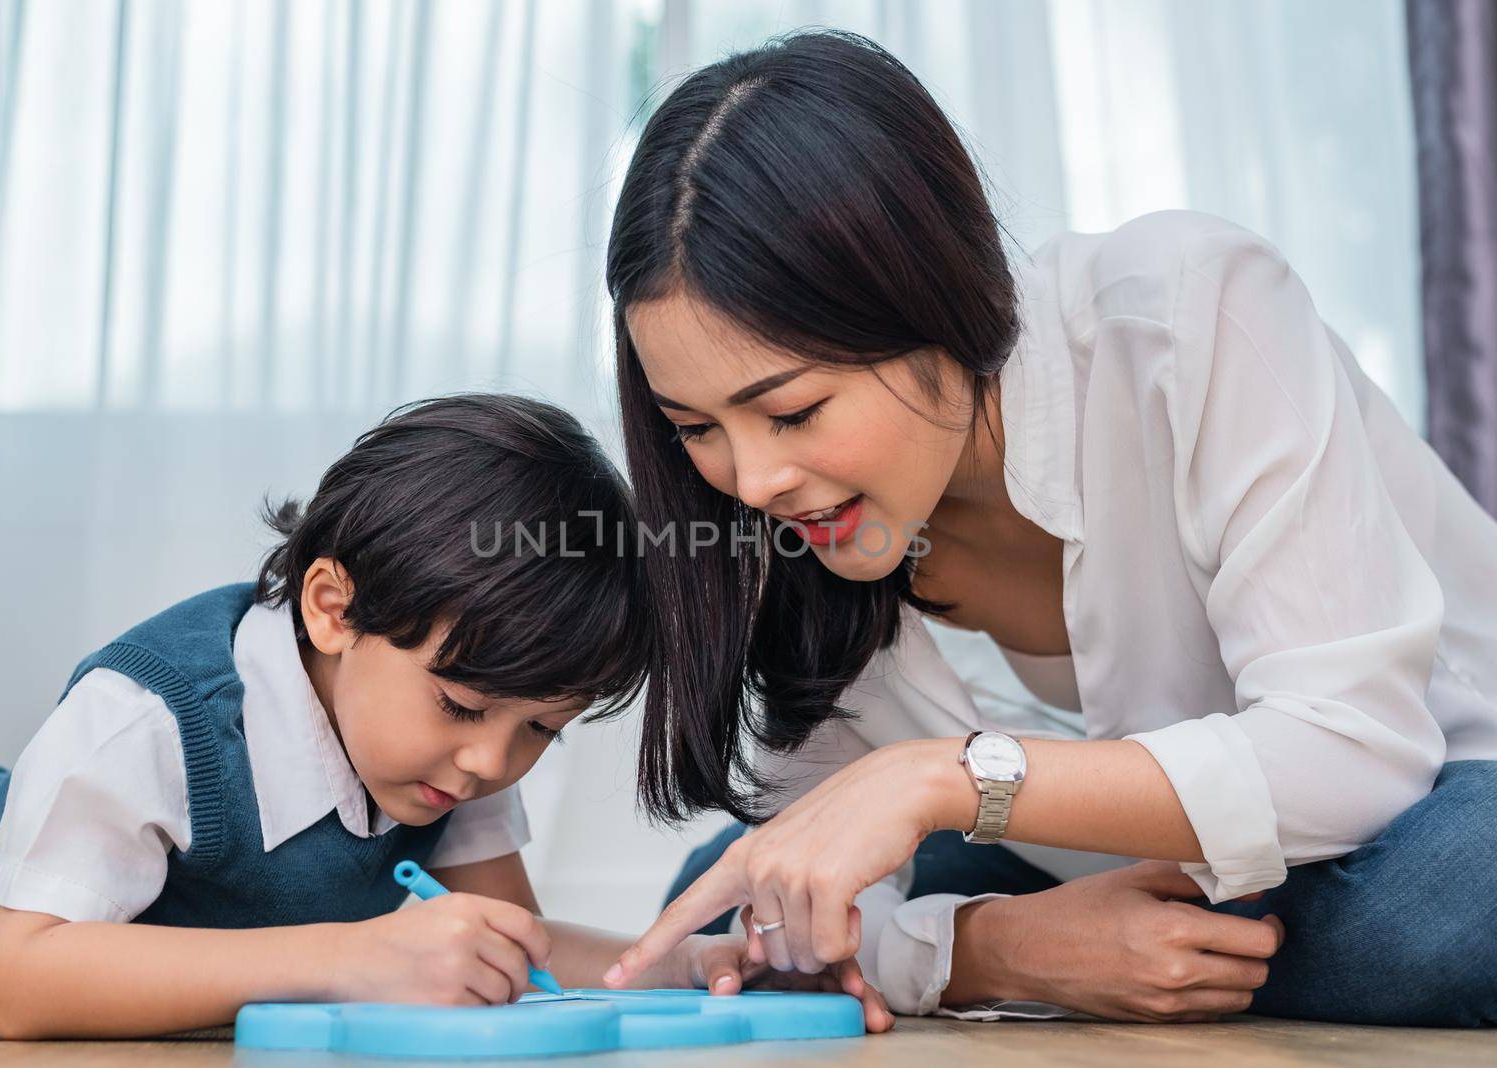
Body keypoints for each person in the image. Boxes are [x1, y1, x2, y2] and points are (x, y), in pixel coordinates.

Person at [599, 31, 1497, 1026]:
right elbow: (779, 905)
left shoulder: (1183, 312)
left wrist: (939, 781)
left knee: (1444, 912)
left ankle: (1176, 956)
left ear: (929, 297)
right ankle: (1133, 950)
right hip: (1117, 865)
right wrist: (994, 949)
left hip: (1432, 793)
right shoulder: (792, 527)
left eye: (795, 410)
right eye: (696, 428)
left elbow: (1351, 760)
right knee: (733, 884)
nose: (754, 480)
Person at [0, 393, 892, 1036]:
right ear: (333, 608)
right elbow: (22, 984)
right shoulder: (146, 717)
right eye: (461, 704)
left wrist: (684, 964)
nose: (488, 761)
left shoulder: (449, 762)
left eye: (540, 730)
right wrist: (351, 955)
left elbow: (514, 943)